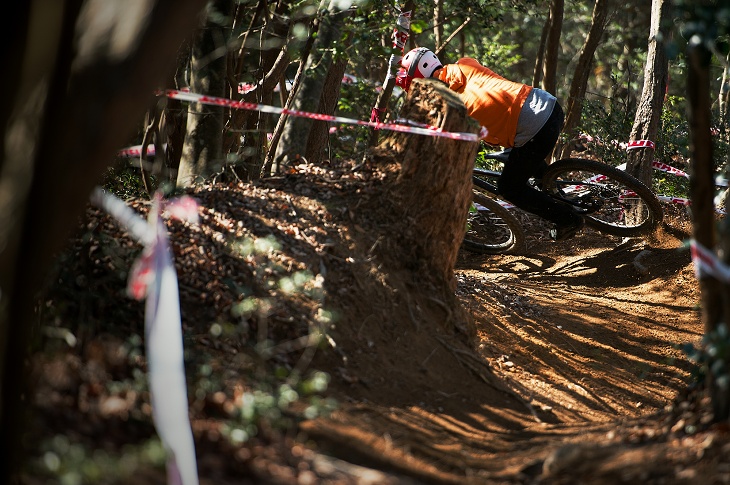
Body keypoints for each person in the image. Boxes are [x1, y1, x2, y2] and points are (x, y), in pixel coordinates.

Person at [396, 47, 584, 241]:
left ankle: (568, 219)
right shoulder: (465, 64)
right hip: (549, 104)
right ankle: (561, 196)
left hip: (535, 129)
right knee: (522, 155)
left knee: (510, 188)